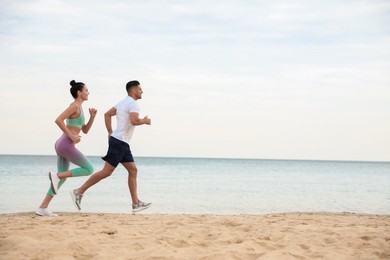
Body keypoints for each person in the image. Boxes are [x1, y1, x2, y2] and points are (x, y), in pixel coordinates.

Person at [71, 80, 152, 213]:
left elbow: (107, 114)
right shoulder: (133, 104)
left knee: (133, 170)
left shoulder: (122, 102)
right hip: (119, 142)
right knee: (106, 172)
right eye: (139, 89)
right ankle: (79, 191)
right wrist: (145, 121)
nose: (141, 91)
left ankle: (136, 203)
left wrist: (110, 132)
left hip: (121, 142)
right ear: (133, 91)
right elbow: (134, 121)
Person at [35, 80, 97, 217]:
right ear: (79, 93)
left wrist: (92, 117)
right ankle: (56, 175)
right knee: (89, 169)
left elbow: (85, 130)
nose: (88, 92)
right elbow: (58, 120)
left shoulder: (80, 109)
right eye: (86, 90)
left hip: (63, 144)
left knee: (61, 180)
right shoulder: (74, 106)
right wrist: (72, 136)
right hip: (65, 144)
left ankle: (42, 207)